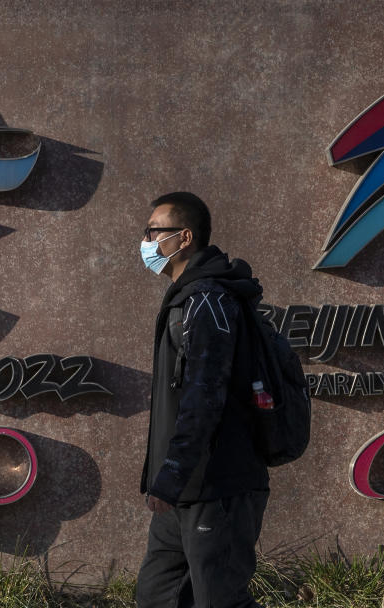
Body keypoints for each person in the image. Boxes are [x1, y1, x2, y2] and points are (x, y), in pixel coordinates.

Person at [136, 191, 269, 607]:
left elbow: (204, 395)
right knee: (157, 596)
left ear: (184, 237)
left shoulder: (208, 301)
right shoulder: (186, 297)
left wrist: (172, 474)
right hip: (182, 489)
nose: (146, 241)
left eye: (154, 231)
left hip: (216, 485)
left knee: (219, 600)